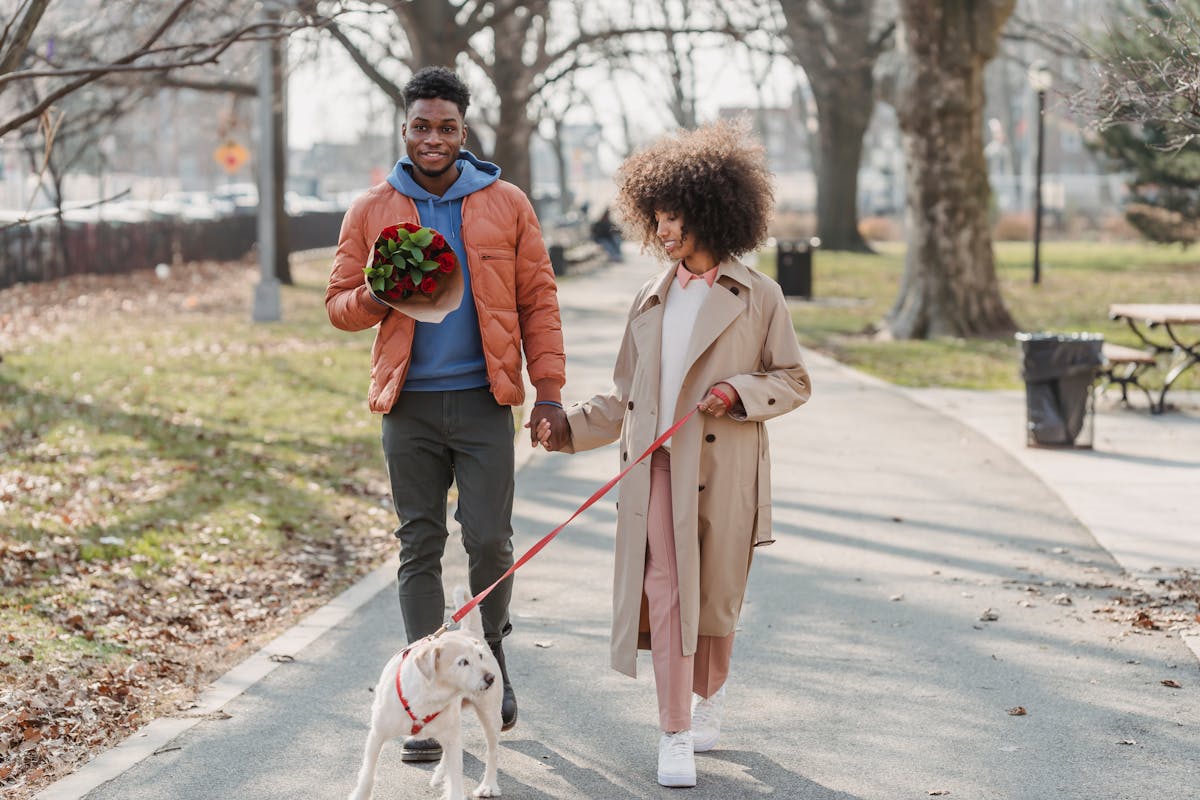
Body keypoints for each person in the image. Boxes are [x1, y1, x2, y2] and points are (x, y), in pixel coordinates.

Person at [536, 120, 811, 788]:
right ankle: (675, 732)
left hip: (722, 470)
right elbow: (627, 396)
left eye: (675, 220)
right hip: (654, 467)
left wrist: (737, 390)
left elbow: (794, 380)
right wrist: (567, 428)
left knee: (715, 600)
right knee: (665, 590)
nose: (663, 233)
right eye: (657, 219)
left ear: (713, 216)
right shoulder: (650, 297)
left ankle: (709, 695)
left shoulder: (759, 295)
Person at [326, 66, 568, 763]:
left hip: (486, 401)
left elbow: (538, 302)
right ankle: (426, 707)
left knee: (489, 540)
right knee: (419, 545)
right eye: (422, 126)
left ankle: (488, 661)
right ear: (405, 130)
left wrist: (547, 391)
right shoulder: (372, 209)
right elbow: (339, 306)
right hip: (409, 407)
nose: (434, 138)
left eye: (448, 127)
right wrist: (379, 292)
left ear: (464, 132)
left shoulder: (506, 203)